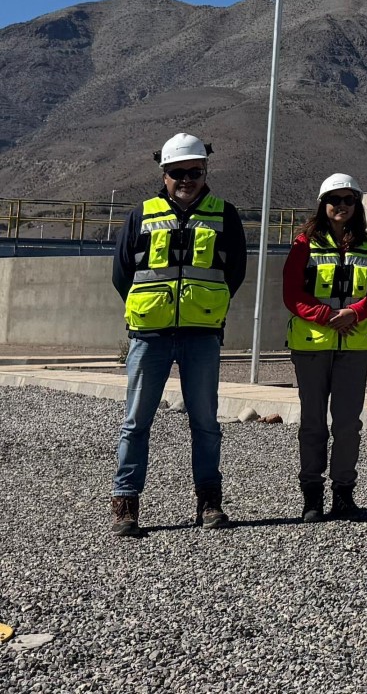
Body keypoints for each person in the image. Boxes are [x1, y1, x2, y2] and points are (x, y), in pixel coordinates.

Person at [110, 133, 247, 536]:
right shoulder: (141, 214)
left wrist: (205, 304)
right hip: (148, 335)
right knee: (136, 422)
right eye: (178, 173)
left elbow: (235, 271)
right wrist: (151, 307)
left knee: (205, 422)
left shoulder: (225, 215)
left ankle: (209, 502)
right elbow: (122, 274)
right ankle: (125, 504)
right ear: (164, 174)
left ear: (205, 172)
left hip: (201, 334)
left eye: (194, 172)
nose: (187, 179)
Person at [283, 173, 367, 523]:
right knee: (312, 422)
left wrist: (354, 312)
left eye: (348, 200)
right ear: (322, 204)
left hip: (354, 346)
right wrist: (327, 316)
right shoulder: (304, 244)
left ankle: (343, 493)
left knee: (347, 425)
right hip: (312, 345)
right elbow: (292, 293)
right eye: (334, 200)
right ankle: (311, 495)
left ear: (356, 204)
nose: (341, 206)